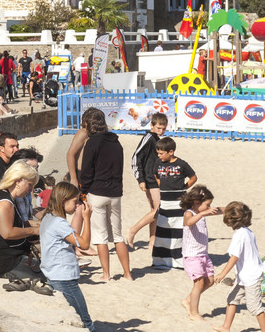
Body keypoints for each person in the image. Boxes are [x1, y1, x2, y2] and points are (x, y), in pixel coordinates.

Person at [39, 182, 136, 332]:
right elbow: (83, 243)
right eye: (74, 202)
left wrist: (78, 216)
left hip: (55, 275)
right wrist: (87, 218)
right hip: (64, 280)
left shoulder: (50, 218)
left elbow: (72, 234)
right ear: (64, 200)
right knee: (87, 325)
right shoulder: (57, 223)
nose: (77, 206)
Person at [76, 107, 132, 281]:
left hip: (97, 192)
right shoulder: (116, 142)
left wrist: (83, 190)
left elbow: (87, 171)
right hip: (115, 192)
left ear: (87, 124)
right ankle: (128, 274)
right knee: (118, 235)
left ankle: (106, 274)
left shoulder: (92, 143)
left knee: (101, 236)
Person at [212, 201, 265, 332]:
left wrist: (222, 274)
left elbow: (234, 257)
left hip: (251, 277)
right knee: (232, 298)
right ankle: (226, 328)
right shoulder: (247, 231)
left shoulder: (239, 235)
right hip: (244, 276)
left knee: (254, 307)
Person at [0, 160, 50, 294]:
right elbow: (7, 232)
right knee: (50, 276)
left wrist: (43, 225)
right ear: (18, 180)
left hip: (11, 256)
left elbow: (21, 223)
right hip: (6, 262)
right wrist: (34, 230)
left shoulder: (7, 198)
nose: (31, 190)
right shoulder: (4, 202)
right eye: (29, 185)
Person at [148, 138, 196, 271]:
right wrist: (161, 185)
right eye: (157, 153)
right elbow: (156, 175)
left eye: (161, 153)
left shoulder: (181, 164)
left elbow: (193, 177)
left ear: (171, 152)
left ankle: (178, 261)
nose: (159, 156)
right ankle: (161, 261)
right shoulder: (158, 163)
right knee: (163, 231)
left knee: (178, 232)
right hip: (165, 203)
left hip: (179, 203)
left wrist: (185, 187)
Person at [126, 113, 169, 248]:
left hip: (157, 178)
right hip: (150, 179)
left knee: (154, 211)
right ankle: (133, 230)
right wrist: (140, 179)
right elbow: (136, 157)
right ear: (152, 125)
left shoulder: (157, 138)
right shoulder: (149, 138)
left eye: (163, 128)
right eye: (158, 128)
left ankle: (152, 242)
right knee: (159, 210)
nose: (161, 131)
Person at [180, 185, 221, 321]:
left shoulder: (203, 212)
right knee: (198, 284)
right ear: (197, 203)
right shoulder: (189, 213)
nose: (210, 207)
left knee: (209, 281)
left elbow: (219, 210)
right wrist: (202, 213)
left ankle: (187, 300)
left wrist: (234, 207)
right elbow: (188, 222)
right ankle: (194, 313)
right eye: (208, 204)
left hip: (203, 254)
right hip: (192, 256)